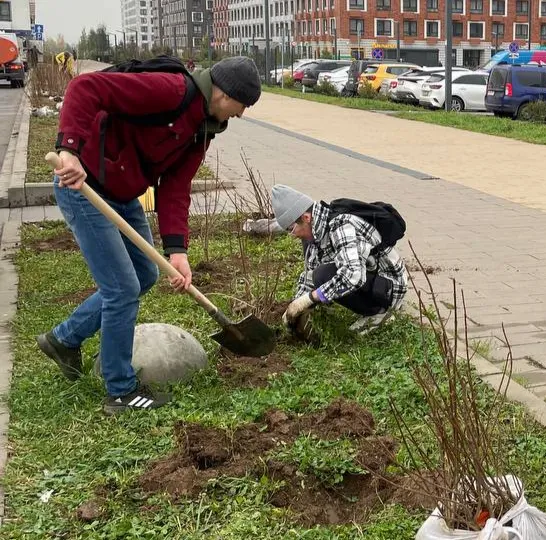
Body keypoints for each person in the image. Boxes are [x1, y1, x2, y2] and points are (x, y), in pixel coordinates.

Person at [37, 56, 262, 415]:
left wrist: (178, 251)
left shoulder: (203, 129)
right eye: (243, 104)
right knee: (122, 288)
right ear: (225, 93)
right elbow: (84, 88)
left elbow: (176, 186)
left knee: (145, 274)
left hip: (123, 194)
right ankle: (121, 391)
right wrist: (69, 150)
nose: (242, 113)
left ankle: (64, 339)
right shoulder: (169, 91)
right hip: (85, 186)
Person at [273, 185, 409, 334]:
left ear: (306, 217)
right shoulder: (314, 234)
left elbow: (352, 276)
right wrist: (296, 305)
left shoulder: (342, 225)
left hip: (390, 287)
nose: (293, 235)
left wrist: (310, 299)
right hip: (372, 279)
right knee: (319, 275)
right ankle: (372, 307)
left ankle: (379, 312)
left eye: (291, 229)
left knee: (323, 275)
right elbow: (310, 276)